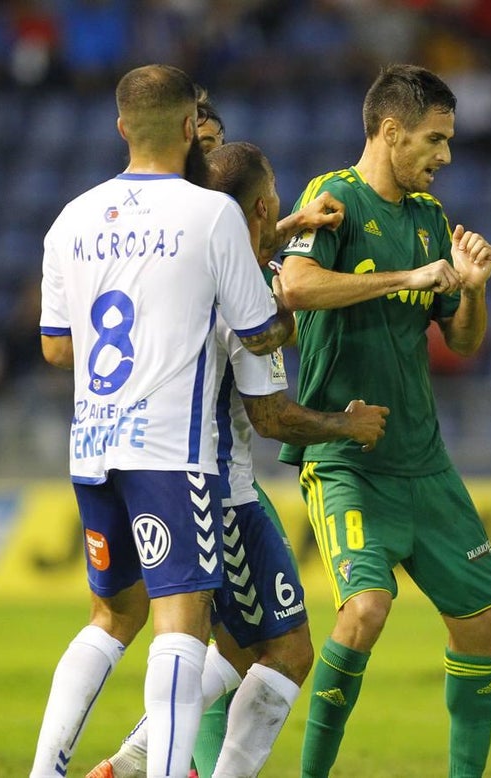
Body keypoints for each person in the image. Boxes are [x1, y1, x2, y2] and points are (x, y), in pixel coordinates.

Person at [86, 142, 388, 778]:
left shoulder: (198, 268)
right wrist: (346, 424)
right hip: (221, 495)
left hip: (189, 480)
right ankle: (154, 760)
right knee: (281, 651)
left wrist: (287, 232)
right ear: (260, 204)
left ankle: (138, 757)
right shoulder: (241, 290)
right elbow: (271, 414)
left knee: (243, 646)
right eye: (274, 197)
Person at [29, 63, 295, 778]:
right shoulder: (210, 215)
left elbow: (56, 346)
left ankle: (45, 769)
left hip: (93, 447)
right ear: (190, 129)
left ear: (121, 127)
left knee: (110, 619)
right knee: (184, 623)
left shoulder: (72, 218)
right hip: (172, 451)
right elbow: (263, 331)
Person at [275, 63, 491, 778]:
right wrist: (405, 278)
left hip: (424, 460)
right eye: (434, 140)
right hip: (346, 456)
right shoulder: (333, 198)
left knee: (481, 623)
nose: (444, 156)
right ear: (389, 132)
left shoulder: (430, 220)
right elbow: (294, 286)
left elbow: (463, 340)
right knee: (366, 610)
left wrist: (470, 292)